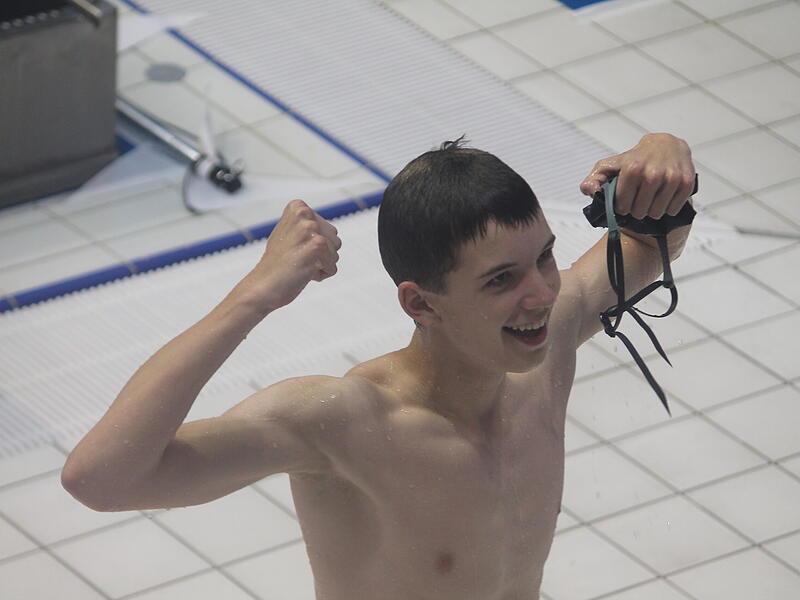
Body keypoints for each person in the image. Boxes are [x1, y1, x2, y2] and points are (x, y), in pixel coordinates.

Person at [62, 132, 695, 600]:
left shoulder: (542, 348)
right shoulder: (346, 421)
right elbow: (100, 479)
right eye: (501, 280)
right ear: (421, 303)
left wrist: (664, 159)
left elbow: (647, 239)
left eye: (546, 259)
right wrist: (251, 297)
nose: (541, 295)